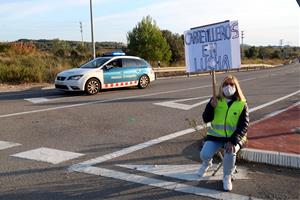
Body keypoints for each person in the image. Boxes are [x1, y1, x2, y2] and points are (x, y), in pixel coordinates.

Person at [198, 74, 249, 192]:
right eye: (226, 84)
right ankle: (207, 163)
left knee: (230, 152)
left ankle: (227, 176)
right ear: (221, 86)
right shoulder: (215, 100)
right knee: (204, 154)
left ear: (236, 87)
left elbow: (244, 125)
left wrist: (233, 141)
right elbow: (206, 119)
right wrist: (211, 107)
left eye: (232, 84)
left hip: (234, 138)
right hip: (215, 136)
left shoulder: (242, 103)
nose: (228, 86)